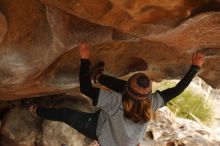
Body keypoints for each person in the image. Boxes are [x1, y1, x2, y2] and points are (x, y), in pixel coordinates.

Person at [29, 42, 205, 146]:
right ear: (149, 93)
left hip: (102, 133)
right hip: (126, 137)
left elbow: (85, 89)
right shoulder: (151, 101)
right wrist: (195, 68)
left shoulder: (115, 102)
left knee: (66, 114)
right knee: (123, 88)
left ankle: (35, 109)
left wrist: (84, 58)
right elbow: (176, 91)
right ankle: (98, 76)